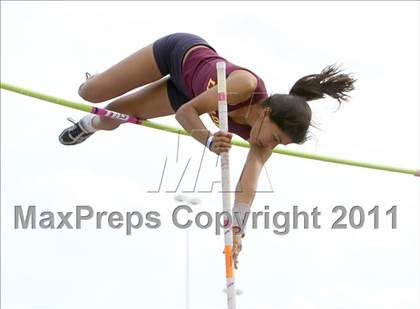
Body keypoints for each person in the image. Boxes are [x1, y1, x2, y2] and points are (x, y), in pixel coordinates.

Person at [59, 32, 356, 268]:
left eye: (280, 144)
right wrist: (209, 141)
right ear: (265, 113)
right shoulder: (245, 85)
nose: (271, 146)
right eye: (276, 138)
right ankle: (96, 83)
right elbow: (186, 114)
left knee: (112, 117)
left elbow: (247, 187)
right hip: (176, 56)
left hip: (183, 93)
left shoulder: (260, 140)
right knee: (90, 93)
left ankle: (88, 124)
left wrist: (236, 231)